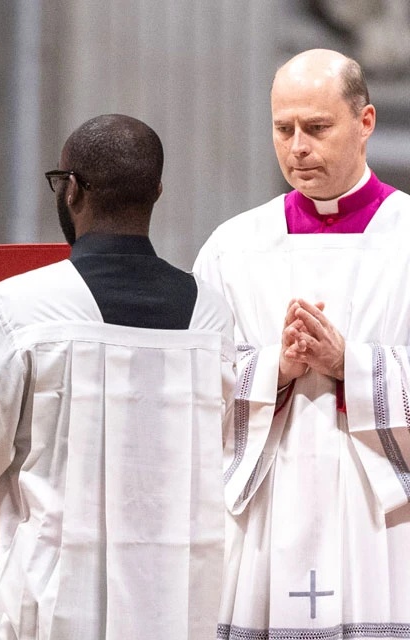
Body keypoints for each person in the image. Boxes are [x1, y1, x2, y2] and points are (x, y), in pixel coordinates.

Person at [0, 114, 236, 639]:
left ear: (71, 190)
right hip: (174, 604)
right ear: (156, 192)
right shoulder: (210, 318)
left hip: (54, 606)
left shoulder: (25, 310)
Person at [194, 48, 410, 637]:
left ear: (365, 122)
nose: (297, 147)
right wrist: (276, 370)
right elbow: (192, 388)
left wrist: (352, 365)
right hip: (267, 510)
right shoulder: (233, 247)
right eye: (283, 129)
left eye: (316, 128)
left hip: (383, 521)